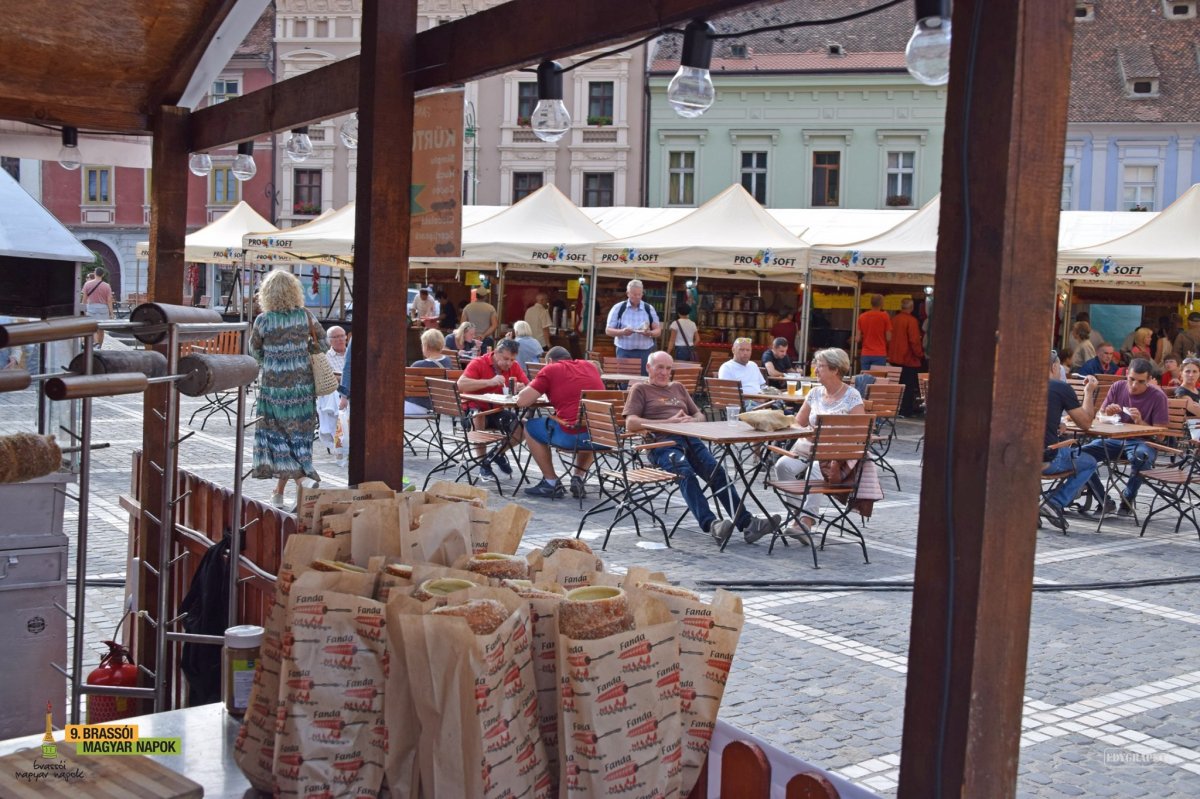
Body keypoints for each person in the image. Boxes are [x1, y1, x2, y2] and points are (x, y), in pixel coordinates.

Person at [624, 351, 777, 545]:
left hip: (690, 439)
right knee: (685, 474)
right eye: (659, 367)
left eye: (668, 368)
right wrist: (668, 422)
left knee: (717, 472)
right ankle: (712, 524)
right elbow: (631, 423)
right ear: (648, 368)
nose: (664, 372)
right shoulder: (640, 389)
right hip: (663, 444)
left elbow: (700, 416)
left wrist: (691, 419)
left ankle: (747, 524)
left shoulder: (678, 387)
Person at [771, 348, 873, 540]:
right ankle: (798, 515)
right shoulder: (815, 393)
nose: (815, 370)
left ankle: (807, 521)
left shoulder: (851, 396)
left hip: (835, 455)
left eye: (820, 366)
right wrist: (784, 424)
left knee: (816, 469)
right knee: (782, 465)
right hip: (807, 448)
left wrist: (830, 437)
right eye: (815, 366)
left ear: (835, 370)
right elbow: (798, 423)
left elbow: (860, 432)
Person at [248, 269, 328, 509]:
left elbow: (255, 351)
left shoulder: (263, 320)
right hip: (302, 387)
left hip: (274, 388)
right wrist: (301, 353)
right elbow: (322, 343)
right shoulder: (305, 316)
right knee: (299, 437)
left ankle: (302, 481)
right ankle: (284, 492)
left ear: (267, 294)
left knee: (275, 436)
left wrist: (274, 359)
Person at [1081, 358, 1169, 516]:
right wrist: (1106, 413)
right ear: (1127, 374)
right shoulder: (1118, 386)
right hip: (1114, 440)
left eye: (1141, 381)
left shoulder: (1158, 396)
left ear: (1149, 380)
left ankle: (1127, 499)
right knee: (1079, 455)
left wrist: (1140, 422)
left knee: (1141, 456)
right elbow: (1099, 416)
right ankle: (1104, 500)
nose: (1134, 385)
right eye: (1132, 379)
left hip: (1142, 443)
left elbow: (1161, 436)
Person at [517, 346, 605, 498]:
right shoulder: (590, 366)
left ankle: (550, 482)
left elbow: (522, 401)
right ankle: (578, 477)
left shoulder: (551, 370)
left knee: (530, 426)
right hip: (602, 436)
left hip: (571, 436)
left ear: (550, 361)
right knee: (589, 425)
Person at [1039, 352, 1098, 531]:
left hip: (1014, 457)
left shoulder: (1018, 384)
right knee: (1089, 462)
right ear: (1054, 367)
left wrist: (1056, 423)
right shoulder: (1059, 387)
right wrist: (1088, 392)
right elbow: (1086, 423)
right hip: (1046, 460)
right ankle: (1054, 501)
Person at [457, 338, 528, 480]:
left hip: (497, 411)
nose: (509, 363)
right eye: (506, 359)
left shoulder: (514, 367)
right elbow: (460, 384)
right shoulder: (479, 363)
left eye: (512, 360)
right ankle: (483, 463)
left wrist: (522, 387)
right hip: (472, 412)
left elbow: (529, 386)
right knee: (479, 415)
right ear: (496, 353)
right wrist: (489, 382)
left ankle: (496, 454)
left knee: (525, 426)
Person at [605, 279, 661, 374]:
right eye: (634, 294)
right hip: (624, 351)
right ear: (628, 293)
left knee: (643, 381)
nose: (637, 297)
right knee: (624, 381)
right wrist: (622, 332)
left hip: (645, 351)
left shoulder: (649, 308)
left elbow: (658, 330)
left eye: (640, 294)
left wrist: (649, 333)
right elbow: (608, 330)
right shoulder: (618, 308)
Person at [888, 297, 924, 416]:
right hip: (908, 359)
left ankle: (895, 409)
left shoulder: (894, 319)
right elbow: (914, 341)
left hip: (894, 358)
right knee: (908, 386)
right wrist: (920, 354)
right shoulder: (912, 321)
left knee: (897, 385)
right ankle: (906, 410)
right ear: (912, 308)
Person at [406, 328, 453, 415]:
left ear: (426, 346)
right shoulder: (448, 361)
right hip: (438, 405)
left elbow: (407, 388)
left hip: (417, 405)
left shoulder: (417, 365)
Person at [316, 325, 348, 448]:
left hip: (352, 390)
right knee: (333, 394)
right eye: (335, 337)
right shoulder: (325, 358)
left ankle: (344, 437)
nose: (340, 339)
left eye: (342, 336)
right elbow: (329, 379)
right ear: (329, 340)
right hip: (334, 391)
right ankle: (340, 437)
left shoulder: (353, 355)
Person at [717, 337, 765, 401]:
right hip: (742, 405)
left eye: (748, 350)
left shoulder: (753, 365)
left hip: (761, 403)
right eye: (742, 350)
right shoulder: (727, 367)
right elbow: (727, 393)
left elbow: (763, 386)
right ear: (733, 350)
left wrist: (770, 394)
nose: (745, 353)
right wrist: (755, 399)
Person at [856, 294, 891, 370]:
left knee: (865, 379)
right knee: (877, 379)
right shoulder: (884, 316)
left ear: (871, 303)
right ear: (882, 304)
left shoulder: (862, 316)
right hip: (880, 353)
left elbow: (857, 339)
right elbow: (888, 337)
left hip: (865, 353)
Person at [80, 269, 114, 348]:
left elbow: (84, 299)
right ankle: (100, 347)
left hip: (91, 308)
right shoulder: (107, 286)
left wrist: (82, 309)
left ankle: (96, 343)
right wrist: (111, 313)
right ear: (103, 275)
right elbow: (109, 300)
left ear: (94, 273)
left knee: (92, 327)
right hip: (103, 309)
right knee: (101, 329)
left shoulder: (87, 284)